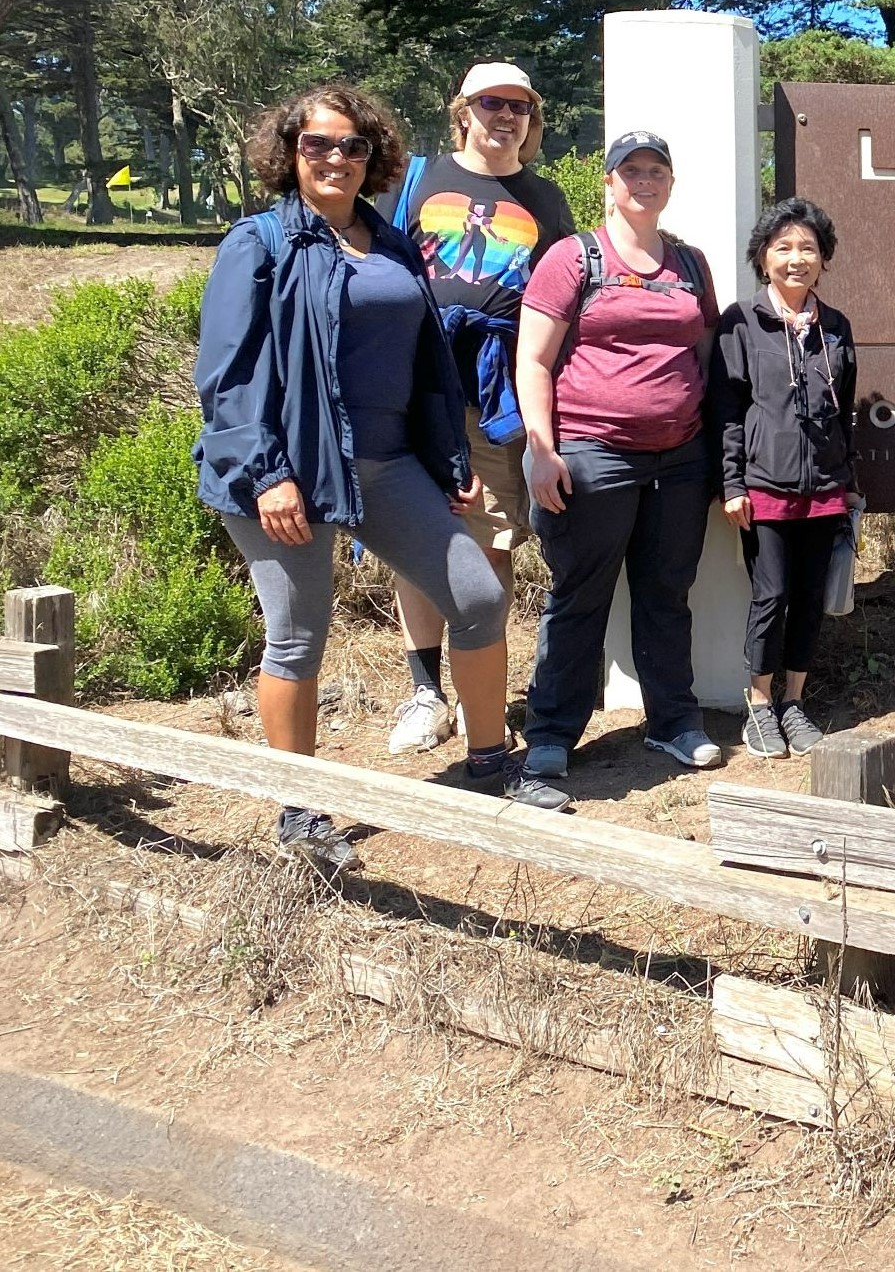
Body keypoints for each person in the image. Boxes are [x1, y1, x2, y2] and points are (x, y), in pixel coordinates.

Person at [195, 83, 557, 878]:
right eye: (318, 144)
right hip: (287, 471)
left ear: (375, 158)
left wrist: (446, 460)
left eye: (353, 146)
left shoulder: (389, 243)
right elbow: (226, 376)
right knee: (297, 638)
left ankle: (490, 763)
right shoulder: (259, 243)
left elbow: (425, 365)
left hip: (388, 463)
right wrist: (267, 474)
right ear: (289, 152)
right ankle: (300, 810)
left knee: (478, 594)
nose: (336, 158)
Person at [373, 62, 576, 757]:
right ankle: (425, 692)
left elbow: (559, 304)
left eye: (520, 106)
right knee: (416, 535)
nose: (505, 116)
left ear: (532, 120)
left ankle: (476, 692)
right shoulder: (416, 180)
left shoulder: (546, 201)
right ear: (464, 110)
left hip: (497, 396)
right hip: (416, 385)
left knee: (491, 541)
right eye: (492, 103)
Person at [515, 131, 723, 778]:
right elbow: (533, 358)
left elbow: (706, 355)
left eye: (655, 169)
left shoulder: (690, 265)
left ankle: (674, 723)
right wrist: (540, 449)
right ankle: (550, 734)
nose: (643, 179)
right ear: (608, 182)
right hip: (590, 454)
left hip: (679, 459)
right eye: (629, 170)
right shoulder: (573, 258)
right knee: (580, 596)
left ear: (669, 182)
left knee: (667, 593)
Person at [713, 197, 858, 759]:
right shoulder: (742, 322)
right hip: (764, 485)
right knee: (770, 594)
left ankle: (795, 702)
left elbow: (845, 412)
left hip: (824, 487)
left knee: (809, 596)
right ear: (763, 257)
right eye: (784, 247)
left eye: (808, 248)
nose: (797, 258)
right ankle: (759, 704)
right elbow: (727, 410)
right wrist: (732, 485)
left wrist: (846, 480)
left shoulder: (836, 328)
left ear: (822, 259)